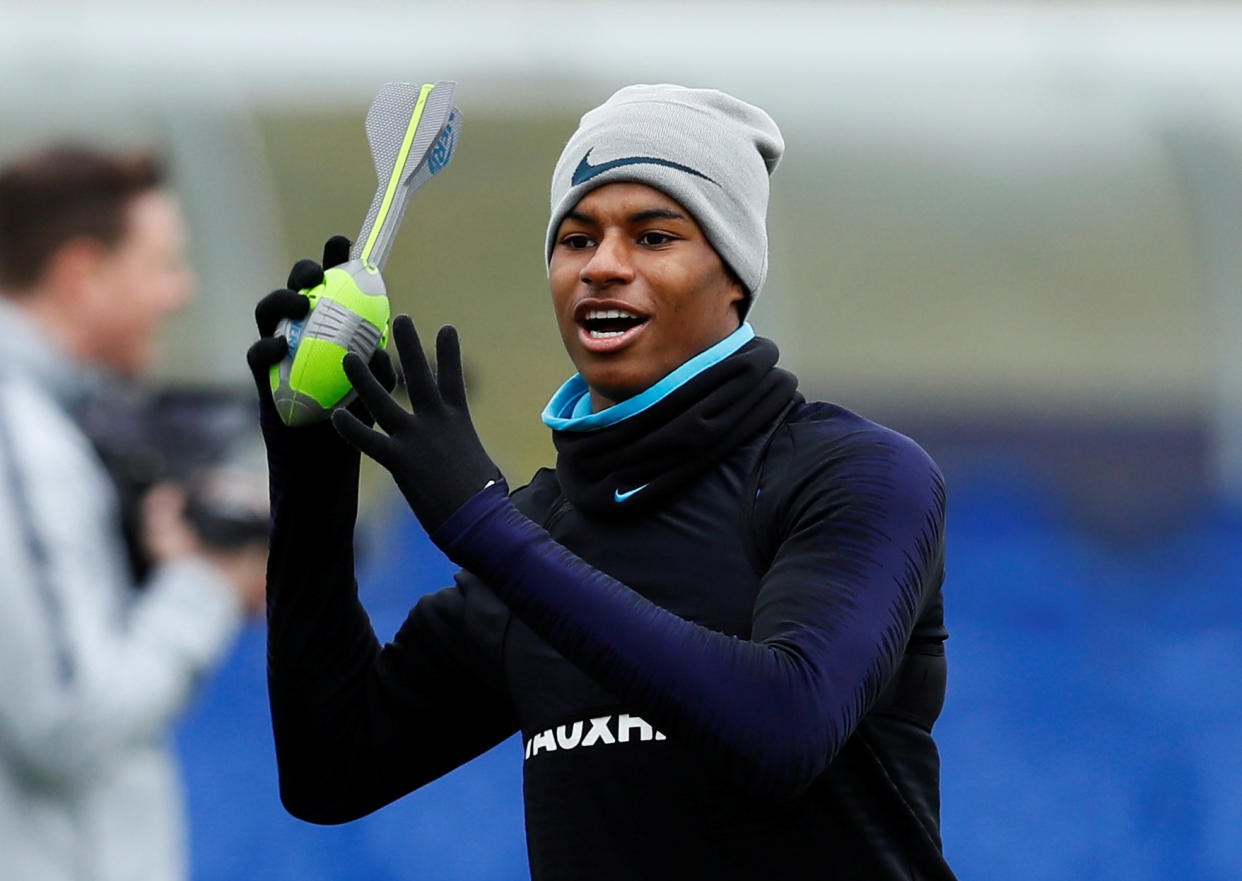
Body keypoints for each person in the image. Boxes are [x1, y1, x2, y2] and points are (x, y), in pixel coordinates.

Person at [250, 85, 955, 880]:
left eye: (654, 236)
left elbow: (783, 727)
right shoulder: (542, 529)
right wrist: (310, 476)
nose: (604, 266)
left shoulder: (854, 472)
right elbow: (334, 767)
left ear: (734, 278)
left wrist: (486, 525)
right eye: (577, 239)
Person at [0, 145, 267, 881]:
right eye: (161, 265)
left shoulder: (49, 423)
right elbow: (65, 720)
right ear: (82, 273)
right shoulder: (20, 437)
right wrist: (205, 582)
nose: (179, 292)